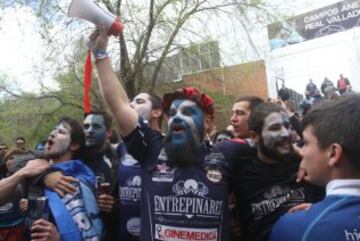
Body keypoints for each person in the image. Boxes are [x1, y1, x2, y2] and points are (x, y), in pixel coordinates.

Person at [90, 23, 254, 241]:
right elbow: (120, 105)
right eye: (173, 112)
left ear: (207, 122)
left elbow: (273, 154)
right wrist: (100, 53)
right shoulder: (152, 147)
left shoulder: (228, 153)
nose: (176, 116)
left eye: (187, 112)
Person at [270, 94, 360, 241]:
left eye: (305, 143)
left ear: (333, 154)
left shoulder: (295, 229)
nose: (301, 151)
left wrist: (318, 216)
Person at [233, 102, 324, 241]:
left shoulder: (307, 167)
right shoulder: (240, 176)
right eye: (275, 128)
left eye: (287, 126)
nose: (286, 133)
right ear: (255, 136)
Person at [24, 118, 103, 241]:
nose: (52, 133)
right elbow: (14, 162)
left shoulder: (77, 182)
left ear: (74, 145)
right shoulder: (35, 173)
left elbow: (91, 234)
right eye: (53, 130)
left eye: (61, 131)